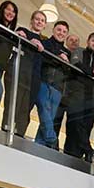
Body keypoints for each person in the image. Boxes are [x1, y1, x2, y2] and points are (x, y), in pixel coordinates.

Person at [65, 32, 94, 161]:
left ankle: (81, 155)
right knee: (74, 122)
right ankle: (87, 150)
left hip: (93, 98)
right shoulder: (79, 51)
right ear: (88, 41)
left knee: (87, 126)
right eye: (93, 41)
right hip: (76, 94)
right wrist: (93, 73)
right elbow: (75, 64)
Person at [6, 10, 46, 136]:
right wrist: (30, 40)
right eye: (37, 19)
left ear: (45, 25)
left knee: (26, 109)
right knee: (13, 104)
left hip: (34, 79)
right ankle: (6, 130)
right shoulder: (23, 31)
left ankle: (19, 135)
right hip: (20, 73)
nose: (39, 22)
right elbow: (17, 37)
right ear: (32, 21)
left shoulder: (45, 43)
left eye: (42, 20)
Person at [36, 20, 72, 149]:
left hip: (58, 87)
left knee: (49, 118)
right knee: (44, 109)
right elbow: (41, 57)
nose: (61, 33)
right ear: (53, 30)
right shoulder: (45, 43)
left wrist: (66, 62)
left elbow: (69, 71)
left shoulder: (67, 52)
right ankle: (52, 138)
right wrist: (58, 56)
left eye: (64, 31)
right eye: (59, 30)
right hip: (43, 81)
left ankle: (39, 145)